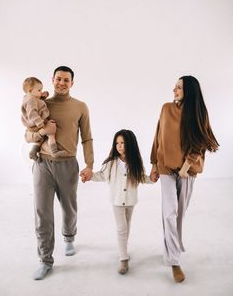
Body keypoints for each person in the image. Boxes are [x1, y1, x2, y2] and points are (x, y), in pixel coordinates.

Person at [150, 75, 219, 283]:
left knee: (179, 215)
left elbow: (200, 141)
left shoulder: (198, 113)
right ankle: (174, 261)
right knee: (168, 213)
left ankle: (171, 246)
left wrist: (186, 166)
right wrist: (154, 163)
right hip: (165, 169)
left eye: (179, 87)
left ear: (189, 90)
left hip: (187, 171)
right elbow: (158, 136)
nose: (174, 89)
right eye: (175, 86)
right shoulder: (166, 109)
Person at [27, 66, 94, 280]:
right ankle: (45, 260)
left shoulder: (80, 106)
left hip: (68, 165)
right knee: (42, 213)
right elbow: (28, 136)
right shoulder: (41, 104)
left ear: (72, 83)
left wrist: (89, 164)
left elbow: (87, 138)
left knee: (69, 207)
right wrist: (42, 132)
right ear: (52, 80)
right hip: (42, 164)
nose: (62, 83)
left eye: (66, 80)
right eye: (58, 79)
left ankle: (69, 237)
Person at [81, 129, 153, 275]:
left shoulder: (136, 163)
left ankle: (123, 250)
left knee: (127, 227)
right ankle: (123, 259)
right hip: (117, 201)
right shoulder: (111, 163)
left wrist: (152, 178)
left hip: (131, 201)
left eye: (123, 143)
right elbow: (101, 175)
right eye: (117, 143)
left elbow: (142, 178)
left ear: (131, 145)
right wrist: (89, 176)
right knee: (121, 229)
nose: (119, 146)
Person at [21, 77, 67, 160]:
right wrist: (39, 122)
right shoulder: (31, 100)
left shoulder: (30, 98)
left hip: (34, 123)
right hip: (37, 122)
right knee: (51, 132)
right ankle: (54, 152)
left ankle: (33, 151)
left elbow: (38, 105)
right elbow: (32, 113)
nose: (41, 92)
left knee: (41, 139)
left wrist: (42, 97)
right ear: (30, 91)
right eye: (39, 90)